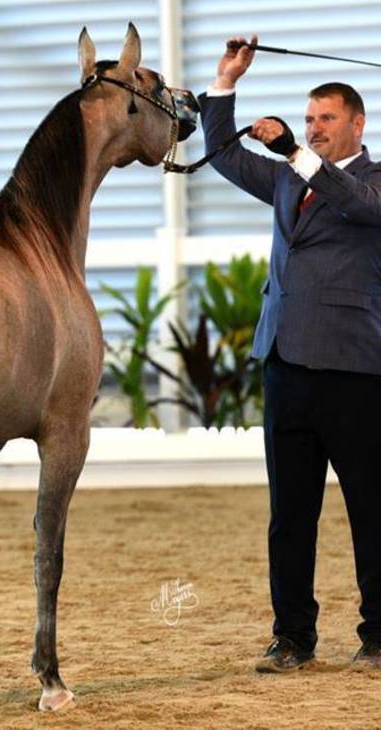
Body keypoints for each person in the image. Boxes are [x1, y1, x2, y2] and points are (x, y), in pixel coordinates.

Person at [198, 35, 381, 673]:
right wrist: (226, 83)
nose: (314, 127)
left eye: (326, 118)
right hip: (286, 363)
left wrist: (293, 151)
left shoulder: (373, 181)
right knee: (290, 514)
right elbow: (223, 154)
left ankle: (379, 634)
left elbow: (353, 202)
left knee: (371, 508)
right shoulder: (285, 179)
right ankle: (292, 637)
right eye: (308, 119)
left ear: (357, 124)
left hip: (355, 370)